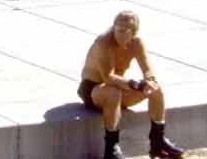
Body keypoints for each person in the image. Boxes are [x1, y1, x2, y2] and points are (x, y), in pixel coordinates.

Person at [78, 11, 184, 159]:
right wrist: (136, 85)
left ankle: (158, 141)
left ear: (133, 32)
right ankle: (111, 149)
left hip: (119, 87)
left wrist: (150, 80)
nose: (119, 33)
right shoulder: (103, 42)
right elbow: (108, 78)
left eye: (124, 30)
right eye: (117, 28)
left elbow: (147, 68)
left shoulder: (137, 43)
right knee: (113, 93)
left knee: (156, 89)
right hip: (94, 89)